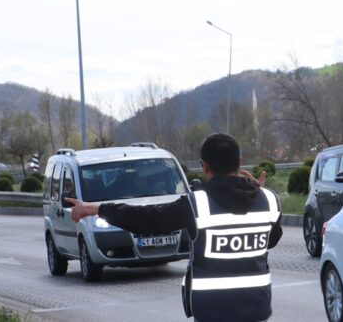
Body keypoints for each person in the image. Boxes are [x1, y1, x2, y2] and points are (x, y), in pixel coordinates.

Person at [67, 133, 283, 322]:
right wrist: (257, 191)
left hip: (213, 311)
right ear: (240, 162)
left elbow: (145, 219)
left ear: (204, 165)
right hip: (256, 309)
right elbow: (270, 240)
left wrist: (96, 208)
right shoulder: (269, 201)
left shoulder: (196, 204)